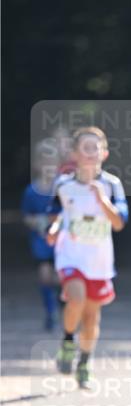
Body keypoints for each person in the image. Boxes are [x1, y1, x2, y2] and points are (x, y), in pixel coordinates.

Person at [46, 127, 129, 388]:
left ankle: (84, 362)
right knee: (76, 298)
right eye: (86, 147)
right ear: (74, 153)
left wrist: (102, 199)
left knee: (92, 316)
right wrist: (54, 228)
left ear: (104, 153)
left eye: (96, 147)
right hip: (70, 255)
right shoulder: (63, 184)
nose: (91, 152)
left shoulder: (112, 184)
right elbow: (56, 215)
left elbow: (119, 223)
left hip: (99, 260)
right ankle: (68, 340)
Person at [21, 139, 60, 330]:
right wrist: (37, 221)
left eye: (51, 162)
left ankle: (63, 305)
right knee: (45, 275)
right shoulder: (31, 191)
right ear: (37, 164)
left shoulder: (62, 188)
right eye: (43, 161)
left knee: (60, 277)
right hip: (41, 241)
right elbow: (26, 216)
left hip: (62, 241)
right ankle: (50, 311)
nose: (48, 166)